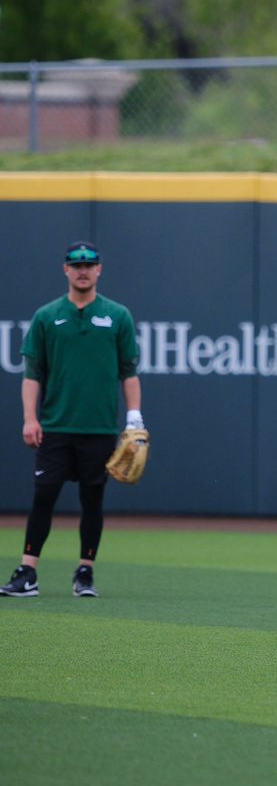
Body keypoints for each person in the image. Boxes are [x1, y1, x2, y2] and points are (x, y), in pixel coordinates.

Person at [1, 242, 142, 599]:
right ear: (65, 270)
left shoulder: (117, 316)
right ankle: (28, 573)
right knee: (44, 496)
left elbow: (129, 372)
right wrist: (30, 419)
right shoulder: (47, 316)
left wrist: (134, 419)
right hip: (57, 424)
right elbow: (32, 373)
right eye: (76, 264)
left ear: (99, 270)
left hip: (97, 427)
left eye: (90, 264)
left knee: (92, 499)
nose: (83, 270)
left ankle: (85, 571)